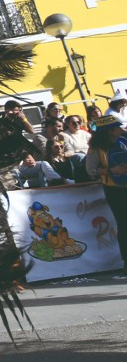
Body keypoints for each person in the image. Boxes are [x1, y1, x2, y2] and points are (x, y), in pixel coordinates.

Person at [88, 114, 127, 268]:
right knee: (124, 223)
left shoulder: (123, 141)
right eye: (117, 127)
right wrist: (112, 171)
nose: (120, 129)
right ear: (109, 130)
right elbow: (90, 170)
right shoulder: (96, 148)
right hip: (114, 189)